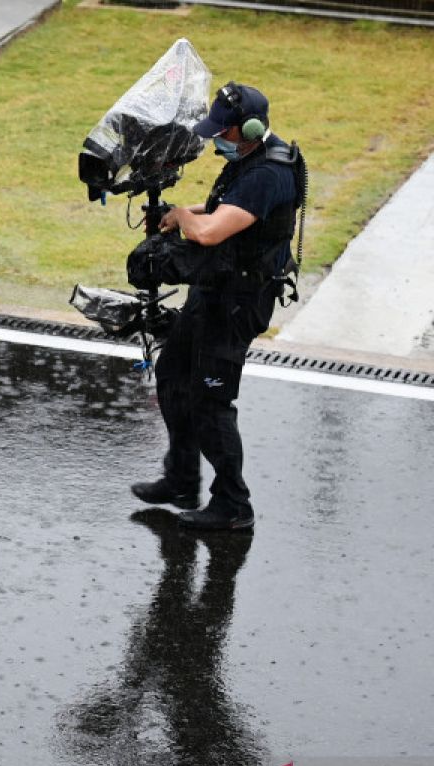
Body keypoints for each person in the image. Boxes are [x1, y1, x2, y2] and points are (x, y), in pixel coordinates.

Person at [131, 83, 303, 531]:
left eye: (220, 132)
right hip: (214, 290)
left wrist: (186, 221)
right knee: (172, 376)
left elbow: (208, 232)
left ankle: (232, 505)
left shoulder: (270, 173)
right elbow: (221, 211)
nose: (215, 141)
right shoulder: (248, 161)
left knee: (211, 401)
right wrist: (180, 211)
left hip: (238, 302)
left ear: (248, 129)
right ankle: (182, 478)